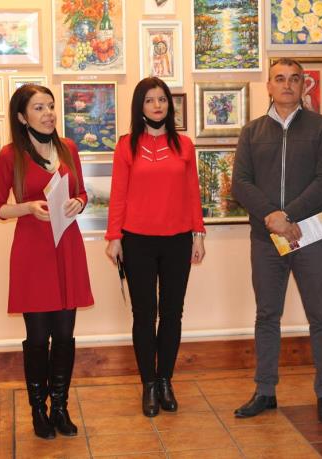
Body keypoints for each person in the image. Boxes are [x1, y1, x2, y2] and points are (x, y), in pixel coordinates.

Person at [232, 58, 322, 424]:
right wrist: (272, 217)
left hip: (310, 234)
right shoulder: (251, 132)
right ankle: (265, 391)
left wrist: (289, 216)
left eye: (295, 79)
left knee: (320, 314)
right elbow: (241, 183)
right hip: (266, 239)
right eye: (279, 79)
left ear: (303, 85)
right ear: (268, 85)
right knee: (267, 315)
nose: (287, 85)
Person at [0, 85, 94, 440]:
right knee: (37, 336)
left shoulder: (69, 148)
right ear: (22, 117)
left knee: (64, 334)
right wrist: (28, 207)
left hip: (67, 246)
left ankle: (60, 407)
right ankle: (38, 410)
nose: (48, 113)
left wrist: (80, 202)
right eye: (39, 107)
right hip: (32, 251)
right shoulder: (9, 155)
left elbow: (81, 192)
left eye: (50, 106)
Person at [105, 77, 206, 417]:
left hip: (178, 240)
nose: (157, 105)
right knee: (144, 315)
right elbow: (118, 195)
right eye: (149, 100)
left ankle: (165, 381)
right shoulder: (126, 146)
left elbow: (192, 193)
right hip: (137, 241)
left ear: (169, 105)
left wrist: (199, 234)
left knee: (173, 313)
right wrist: (114, 237)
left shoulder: (185, 145)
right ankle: (148, 383)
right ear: (140, 106)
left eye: (162, 99)